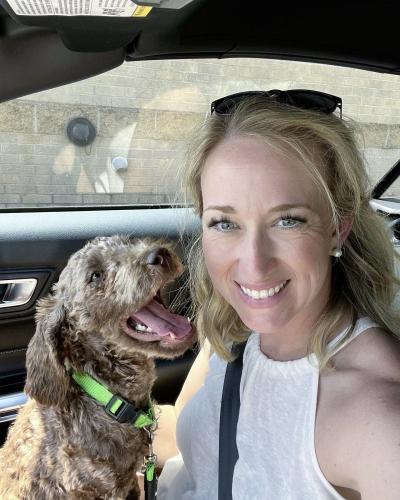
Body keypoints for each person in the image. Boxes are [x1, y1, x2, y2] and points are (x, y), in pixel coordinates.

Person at [149, 90, 400, 499]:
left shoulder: (379, 417)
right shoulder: (231, 332)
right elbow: (183, 438)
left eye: (287, 220)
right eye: (224, 223)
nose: (253, 264)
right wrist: (87, 409)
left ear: (338, 227)